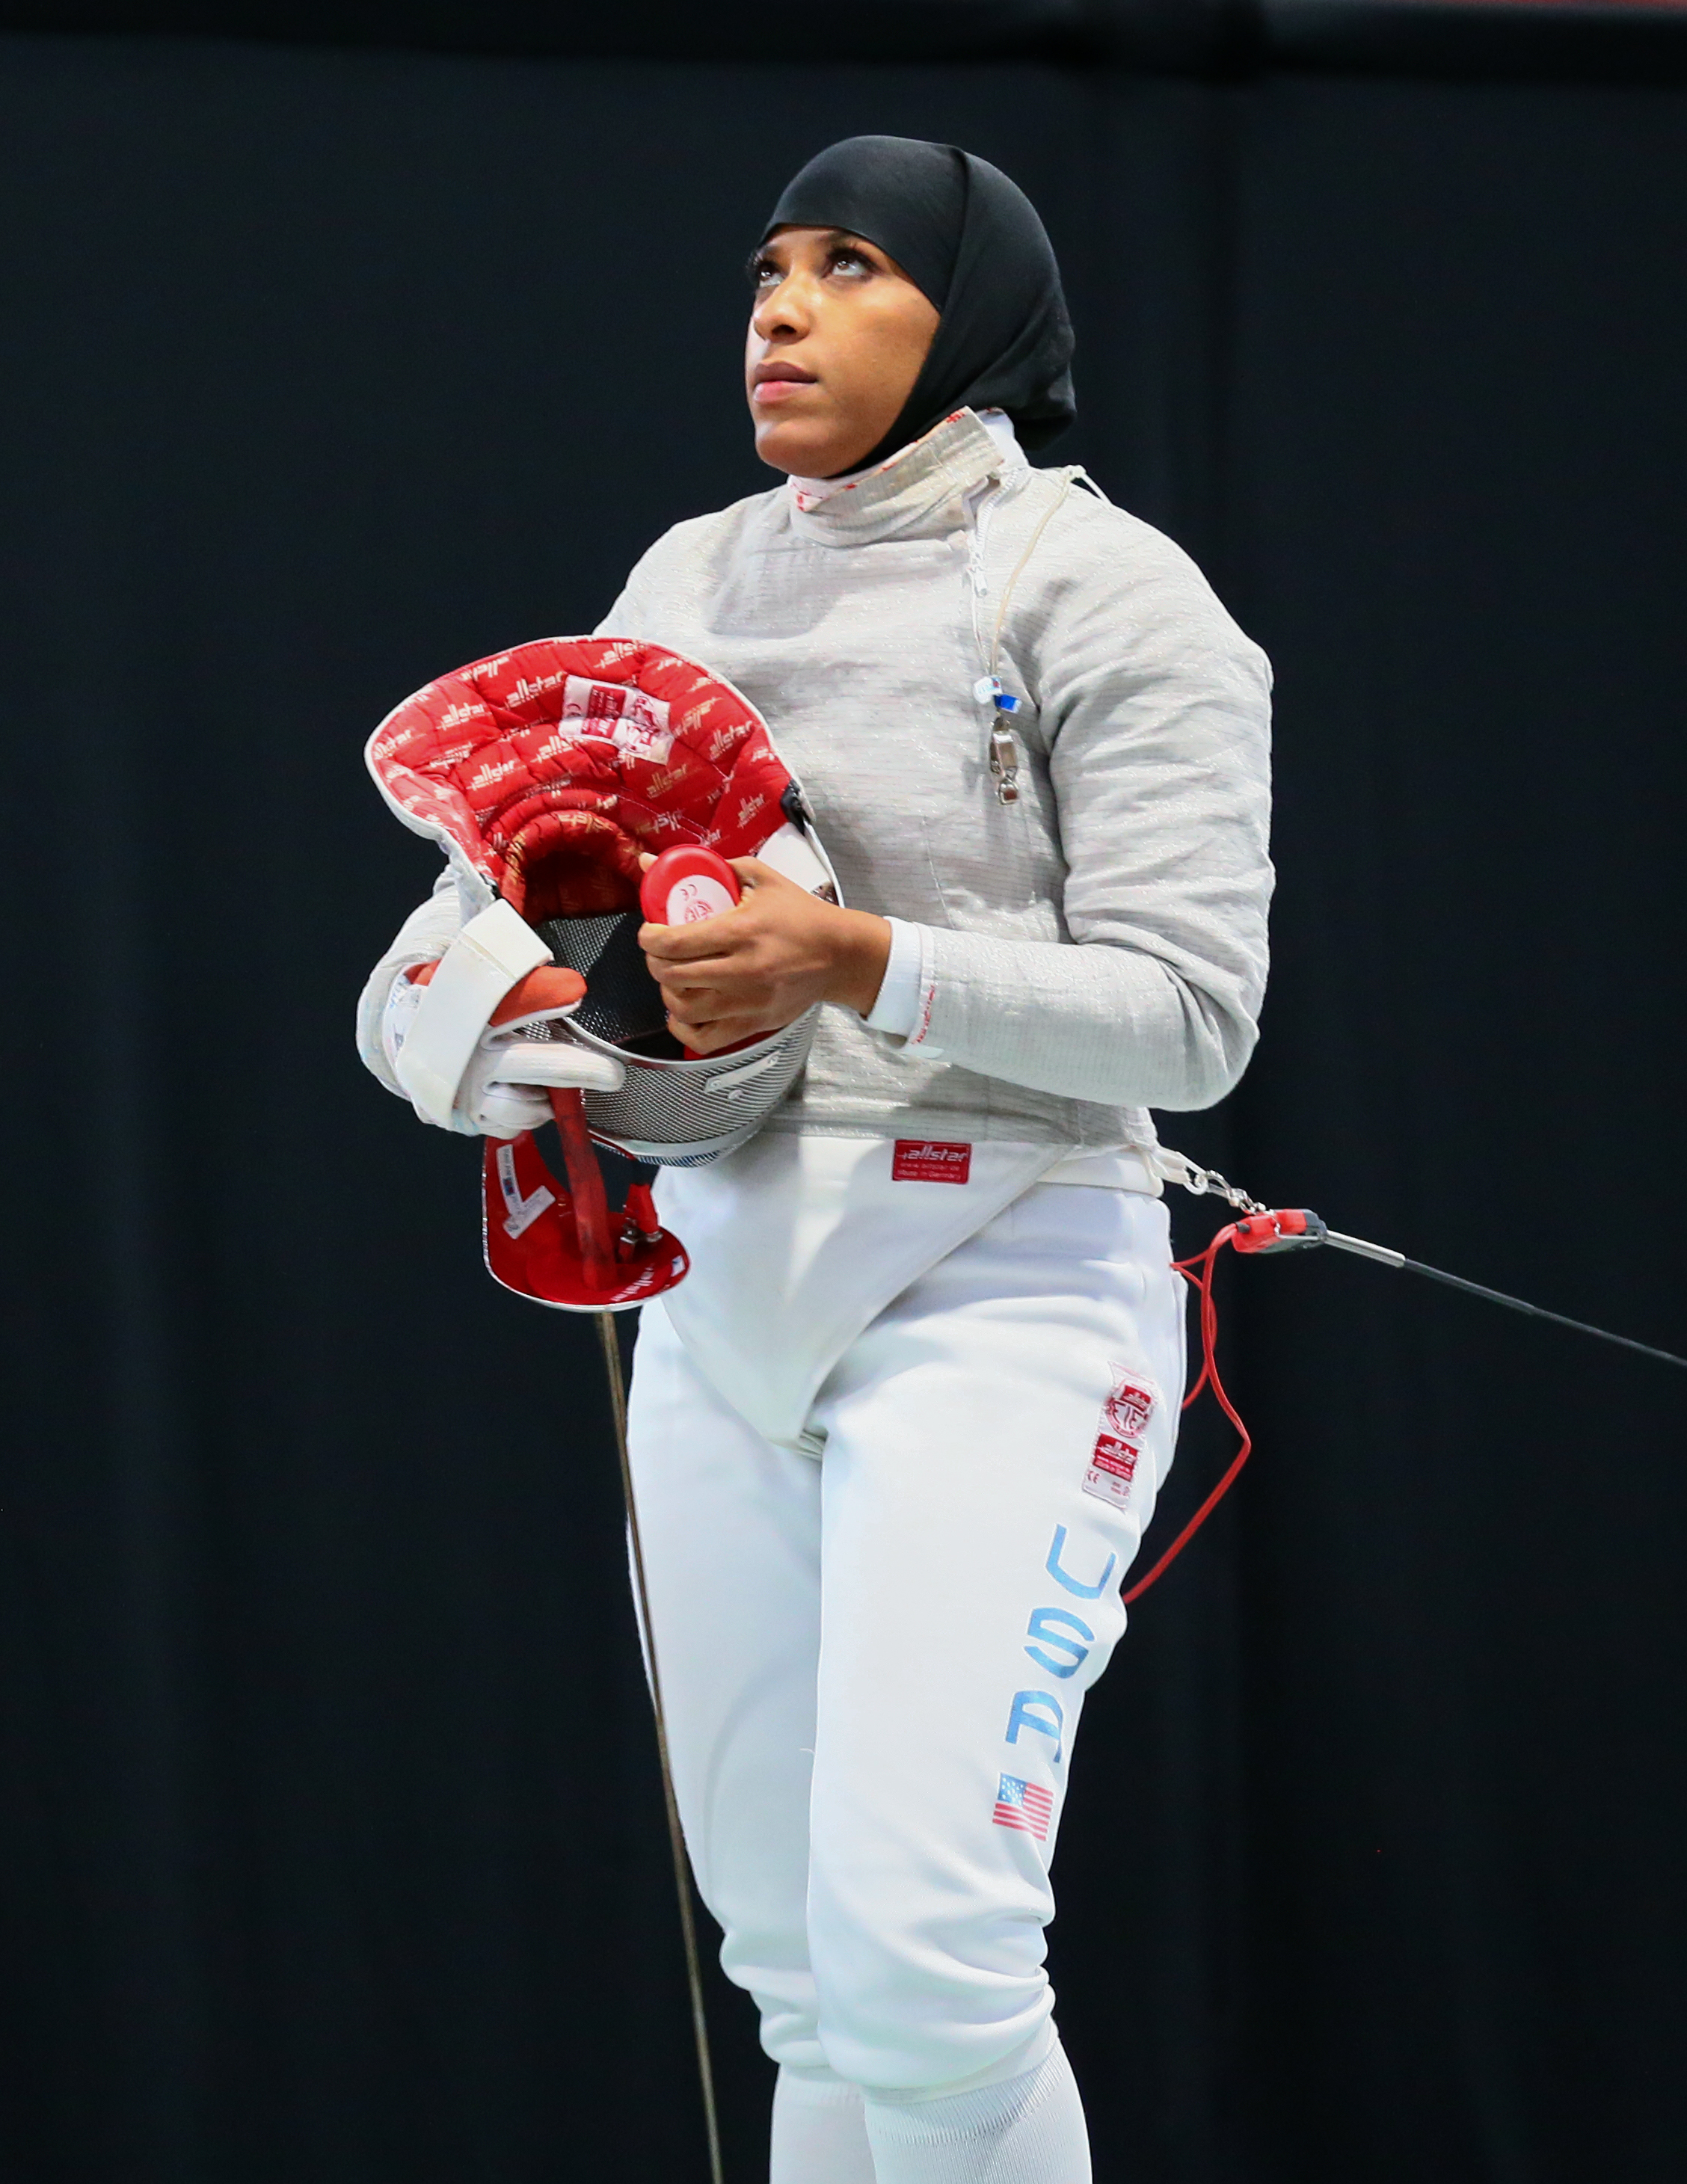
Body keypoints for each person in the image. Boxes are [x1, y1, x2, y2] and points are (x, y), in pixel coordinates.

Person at [360, 135, 1271, 2184]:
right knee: (797, 1966)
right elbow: (578, 951)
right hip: (724, 1291)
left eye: (849, 264)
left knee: (925, 1952)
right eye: (768, 268)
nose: (780, 305)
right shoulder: (689, 580)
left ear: (971, 314)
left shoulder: (1104, 591)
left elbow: (1197, 1016)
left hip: (1009, 1278)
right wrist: (513, 1022)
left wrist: (853, 956)